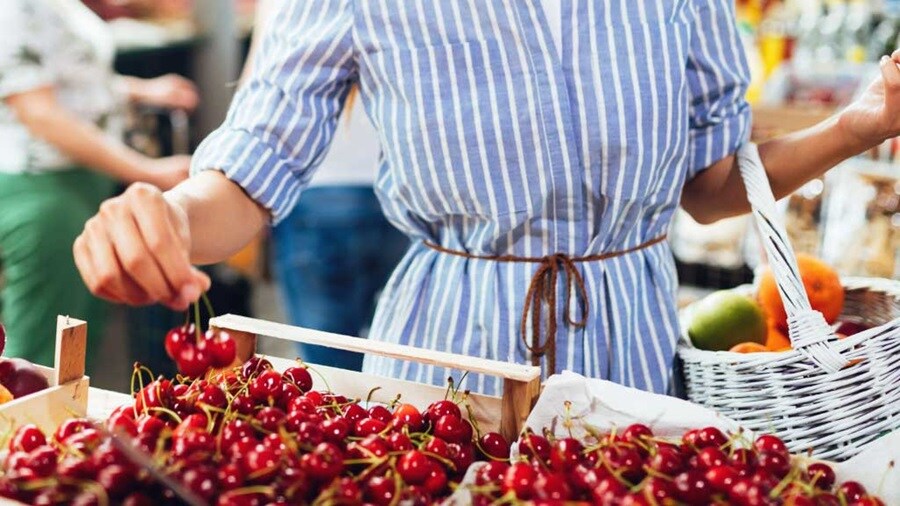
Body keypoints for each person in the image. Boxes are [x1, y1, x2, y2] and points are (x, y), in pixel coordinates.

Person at [73, 1, 900, 395]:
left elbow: (713, 187)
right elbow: (249, 178)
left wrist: (861, 124)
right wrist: (170, 219)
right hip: (450, 360)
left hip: (636, 355)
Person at [0, 0, 197, 367]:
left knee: (72, 341)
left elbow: (71, 78)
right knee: (37, 357)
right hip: (44, 192)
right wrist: (147, 170)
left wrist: (139, 89)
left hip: (79, 186)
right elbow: (41, 113)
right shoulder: (13, 7)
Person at [246, 0, 407, 371]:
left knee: (331, 372)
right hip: (401, 192)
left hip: (314, 190)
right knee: (403, 362)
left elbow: (256, 93)